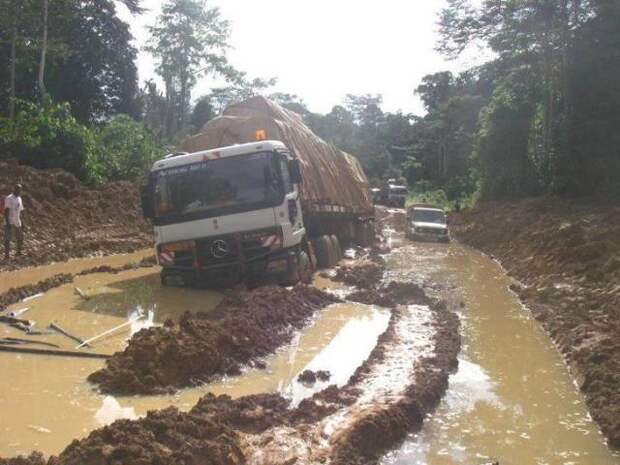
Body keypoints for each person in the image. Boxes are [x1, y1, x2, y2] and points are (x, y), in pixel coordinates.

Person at [4, 184, 25, 261]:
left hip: (17, 221)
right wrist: (8, 222)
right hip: (9, 221)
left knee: (20, 237)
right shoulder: (9, 198)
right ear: (14, 189)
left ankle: (18, 253)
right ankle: (7, 256)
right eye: (18, 189)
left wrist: (22, 222)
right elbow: (6, 211)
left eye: (21, 190)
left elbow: (21, 211)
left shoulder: (19, 198)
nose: (20, 191)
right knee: (8, 238)